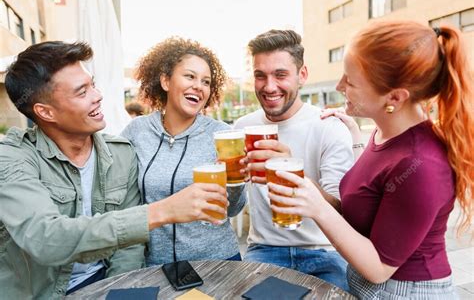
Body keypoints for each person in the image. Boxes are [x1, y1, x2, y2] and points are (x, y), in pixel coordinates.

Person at [0, 41, 228, 299]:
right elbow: (46, 239)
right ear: (45, 112)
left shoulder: (120, 153)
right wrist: (163, 210)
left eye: (92, 84)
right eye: (82, 92)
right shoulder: (12, 157)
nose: (98, 95)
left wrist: (116, 291)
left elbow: (128, 248)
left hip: (106, 283)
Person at [267, 21, 473, 298]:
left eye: (350, 81)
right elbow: (362, 214)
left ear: (394, 98)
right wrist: (304, 185)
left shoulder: (420, 164)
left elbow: (379, 267)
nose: (340, 86)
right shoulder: (384, 133)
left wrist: (318, 209)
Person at [233, 29, 353, 290]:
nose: (269, 86)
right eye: (260, 76)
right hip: (265, 250)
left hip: (324, 252)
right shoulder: (241, 128)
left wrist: (294, 173)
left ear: (302, 75)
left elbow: (342, 210)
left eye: (280, 74)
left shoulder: (328, 127)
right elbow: (231, 203)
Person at [121, 37, 246, 266]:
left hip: (219, 261)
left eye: (206, 81)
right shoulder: (136, 132)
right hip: (157, 266)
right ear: (166, 81)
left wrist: (235, 180)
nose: (199, 86)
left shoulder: (222, 135)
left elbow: (234, 209)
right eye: (190, 76)